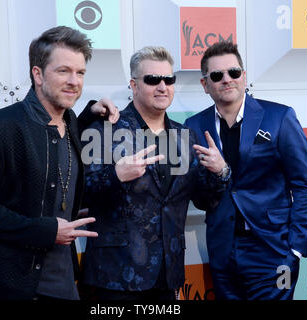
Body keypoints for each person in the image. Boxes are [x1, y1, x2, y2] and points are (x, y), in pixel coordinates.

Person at [0, 26, 119, 300]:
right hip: (8, 286)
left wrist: (90, 112)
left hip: (64, 282)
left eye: (80, 73)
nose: (74, 81)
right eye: (63, 71)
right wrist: (41, 230)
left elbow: (55, 144)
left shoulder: (70, 123)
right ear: (37, 74)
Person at [79, 46, 230, 300]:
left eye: (169, 79)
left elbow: (205, 201)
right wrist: (115, 176)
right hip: (115, 278)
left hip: (167, 276)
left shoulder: (186, 136)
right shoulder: (104, 130)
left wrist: (220, 172)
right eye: (152, 79)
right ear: (134, 85)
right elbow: (81, 195)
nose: (162, 86)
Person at [184, 41, 307, 300]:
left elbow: (305, 185)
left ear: (244, 77)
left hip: (274, 250)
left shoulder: (279, 117)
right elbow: (199, 198)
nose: (227, 80)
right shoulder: (195, 126)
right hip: (223, 252)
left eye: (234, 73)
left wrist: (295, 249)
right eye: (217, 75)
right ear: (205, 84)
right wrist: (216, 176)